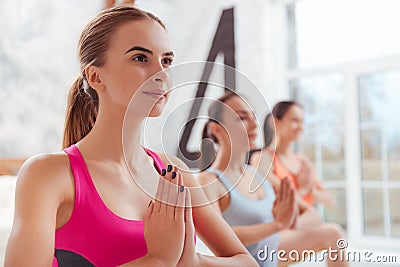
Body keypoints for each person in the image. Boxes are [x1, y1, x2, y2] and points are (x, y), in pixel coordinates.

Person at [5, 7, 258, 267]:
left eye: (167, 61)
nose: (161, 74)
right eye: (140, 58)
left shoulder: (173, 173)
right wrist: (158, 260)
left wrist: (191, 261)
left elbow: (246, 263)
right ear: (95, 76)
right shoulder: (48, 175)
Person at [197, 91, 298, 267]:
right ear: (217, 129)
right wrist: (277, 225)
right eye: (242, 118)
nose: (254, 124)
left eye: (254, 117)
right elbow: (218, 237)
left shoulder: (256, 174)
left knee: (331, 233)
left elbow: (296, 211)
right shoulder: (208, 181)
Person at [250, 101, 348, 267]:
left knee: (334, 234)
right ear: (275, 122)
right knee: (333, 233)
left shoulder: (302, 161)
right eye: (294, 120)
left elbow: (330, 199)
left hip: (299, 229)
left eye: (302, 122)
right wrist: (303, 190)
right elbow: (281, 199)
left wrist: (309, 189)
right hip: (275, 235)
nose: (300, 127)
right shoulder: (262, 159)